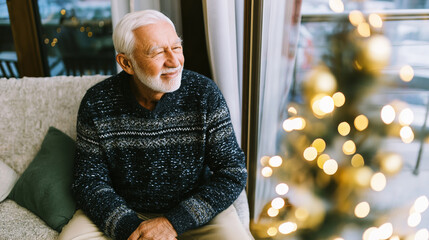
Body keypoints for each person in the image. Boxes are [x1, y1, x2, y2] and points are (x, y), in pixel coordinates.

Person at [58, 9, 251, 240]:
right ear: (126, 63)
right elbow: (88, 181)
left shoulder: (204, 93)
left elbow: (232, 171)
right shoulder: (97, 102)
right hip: (126, 211)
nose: (174, 61)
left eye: (176, 47)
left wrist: (173, 223)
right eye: (157, 52)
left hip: (192, 212)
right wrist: (132, 229)